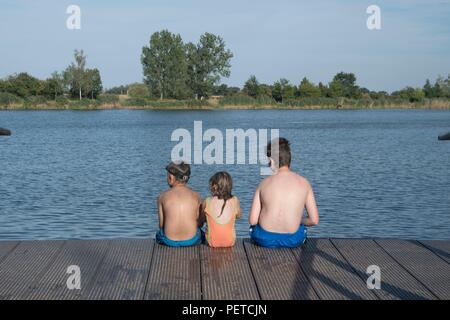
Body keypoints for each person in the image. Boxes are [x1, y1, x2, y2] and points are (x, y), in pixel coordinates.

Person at [249, 138, 319, 248]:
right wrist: (299, 220)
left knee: (253, 229)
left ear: (271, 161)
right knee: (302, 229)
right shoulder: (304, 183)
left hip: (264, 239)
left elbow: (253, 220)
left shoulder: (263, 184)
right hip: (293, 240)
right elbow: (314, 220)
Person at [156, 161, 202, 247]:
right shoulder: (196, 196)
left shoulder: (162, 197)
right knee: (200, 232)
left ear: (171, 177)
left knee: (159, 234)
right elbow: (199, 223)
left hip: (169, 241)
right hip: (191, 240)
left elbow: (161, 225)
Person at [199, 172, 241, 248]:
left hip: (211, 242)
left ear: (214, 186)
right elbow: (238, 216)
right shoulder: (235, 200)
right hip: (230, 241)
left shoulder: (207, 201)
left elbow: (201, 221)